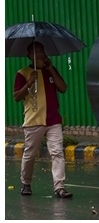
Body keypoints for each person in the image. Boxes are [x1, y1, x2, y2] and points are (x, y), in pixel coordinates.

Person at [12, 41, 73, 198]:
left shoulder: (49, 71)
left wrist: (51, 69)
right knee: (30, 154)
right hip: (34, 120)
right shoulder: (23, 73)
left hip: (53, 120)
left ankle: (59, 187)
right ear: (29, 55)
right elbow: (17, 97)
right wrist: (29, 84)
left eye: (42, 51)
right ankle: (26, 183)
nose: (40, 54)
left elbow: (63, 88)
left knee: (57, 152)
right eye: (36, 52)